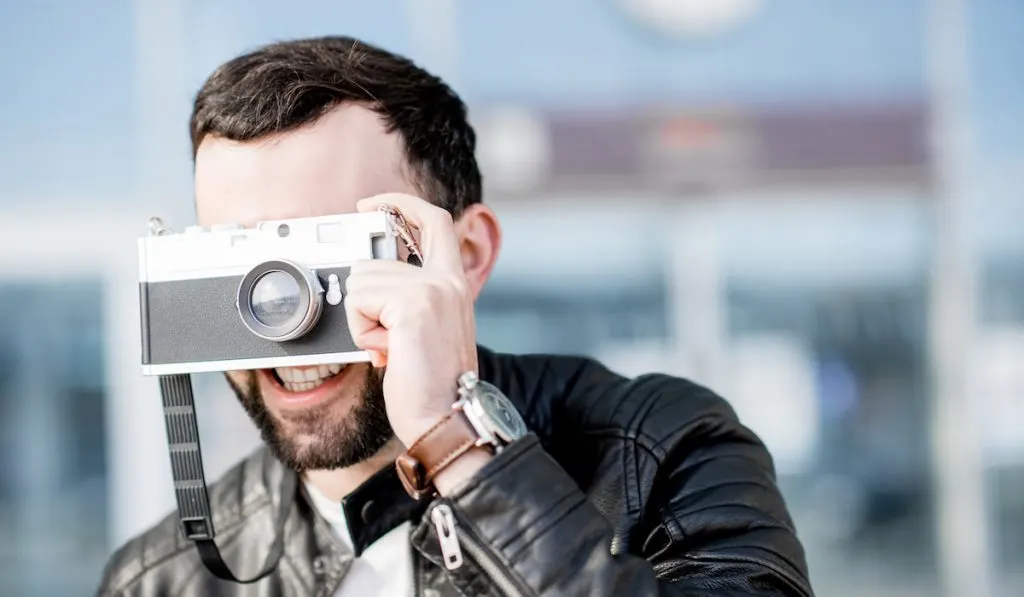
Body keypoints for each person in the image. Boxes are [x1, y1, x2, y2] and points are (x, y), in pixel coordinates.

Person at [97, 35, 813, 597]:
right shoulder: (158, 579)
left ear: (464, 254)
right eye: (241, 266)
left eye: (335, 253)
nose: (282, 312)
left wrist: (462, 448)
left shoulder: (657, 449)